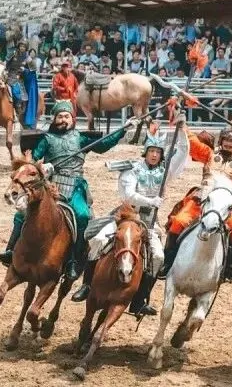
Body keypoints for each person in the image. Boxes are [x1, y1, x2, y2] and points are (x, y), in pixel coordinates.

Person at [0, 101, 132, 282]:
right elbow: (33, 161)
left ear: (72, 119)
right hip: (51, 185)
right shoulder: (47, 139)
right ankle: (11, 250)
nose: (63, 119)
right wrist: (42, 166)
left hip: (75, 186)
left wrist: (123, 129)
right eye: (60, 116)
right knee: (22, 214)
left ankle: (74, 260)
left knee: (82, 215)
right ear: (54, 119)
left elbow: (103, 144)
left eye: (66, 116)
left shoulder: (80, 138)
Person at [74, 115, 190, 314]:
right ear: (145, 152)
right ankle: (87, 284)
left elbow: (183, 151)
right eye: (151, 151)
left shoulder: (165, 171)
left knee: (158, 257)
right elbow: (128, 195)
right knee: (99, 240)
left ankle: (140, 299)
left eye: (158, 152)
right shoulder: (133, 169)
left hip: (149, 221)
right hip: (126, 216)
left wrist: (182, 128)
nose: (154, 155)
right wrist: (150, 201)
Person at [160, 126, 232, 281]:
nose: (228, 143)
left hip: (227, 205)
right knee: (179, 221)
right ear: (221, 141)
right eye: (226, 140)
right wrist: (183, 127)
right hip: (202, 199)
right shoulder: (209, 154)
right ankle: (168, 262)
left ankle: (229, 267)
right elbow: (194, 143)